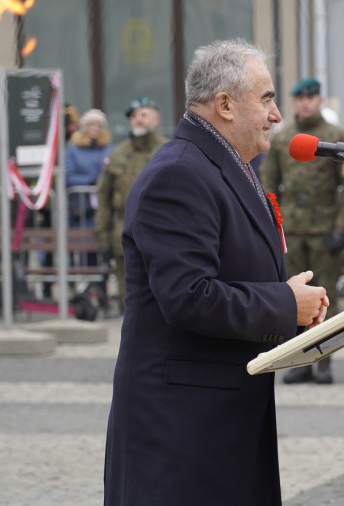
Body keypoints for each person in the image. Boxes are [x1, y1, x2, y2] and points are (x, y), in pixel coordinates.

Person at [103, 39, 329, 506]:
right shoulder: (179, 174)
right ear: (225, 105)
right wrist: (286, 303)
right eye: (266, 98)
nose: (277, 115)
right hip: (180, 432)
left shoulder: (225, 165)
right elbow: (189, 296)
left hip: (220, 419)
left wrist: (294, 309)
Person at [261, 78, 344, 385]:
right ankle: (301, 359)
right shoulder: (283, 137)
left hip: (325, 225)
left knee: (326, 297)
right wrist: (272, 224)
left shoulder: (335, 136)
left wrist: (341, 226)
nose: (305, 103)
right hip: (292, 227)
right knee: (293, 296)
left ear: (320, 100)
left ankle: (324, 360)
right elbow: (269, 183)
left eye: (311, 97)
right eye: (299, 98)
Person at [94, 96, 167, 309]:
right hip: (125, 236)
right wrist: (102, 237)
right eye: (134, 116)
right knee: (131, 300)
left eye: (143, 115)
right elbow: (104, 197)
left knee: (162, 298)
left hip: (161, 234)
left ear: (156, 118)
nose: (138, 120)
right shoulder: (117, 154)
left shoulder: (168, 150)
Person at [66, 109, 113, 267]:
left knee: (102, 244)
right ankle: (84, 284)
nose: (95, 128)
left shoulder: (108, 149)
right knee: (84, 245)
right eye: (91, 124)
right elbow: (68, 176)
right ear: (84, 127)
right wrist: (91, 181)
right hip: (81, 206)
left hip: (104, 204)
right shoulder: (73, 150)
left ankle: (100, 286)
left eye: (99, 125)